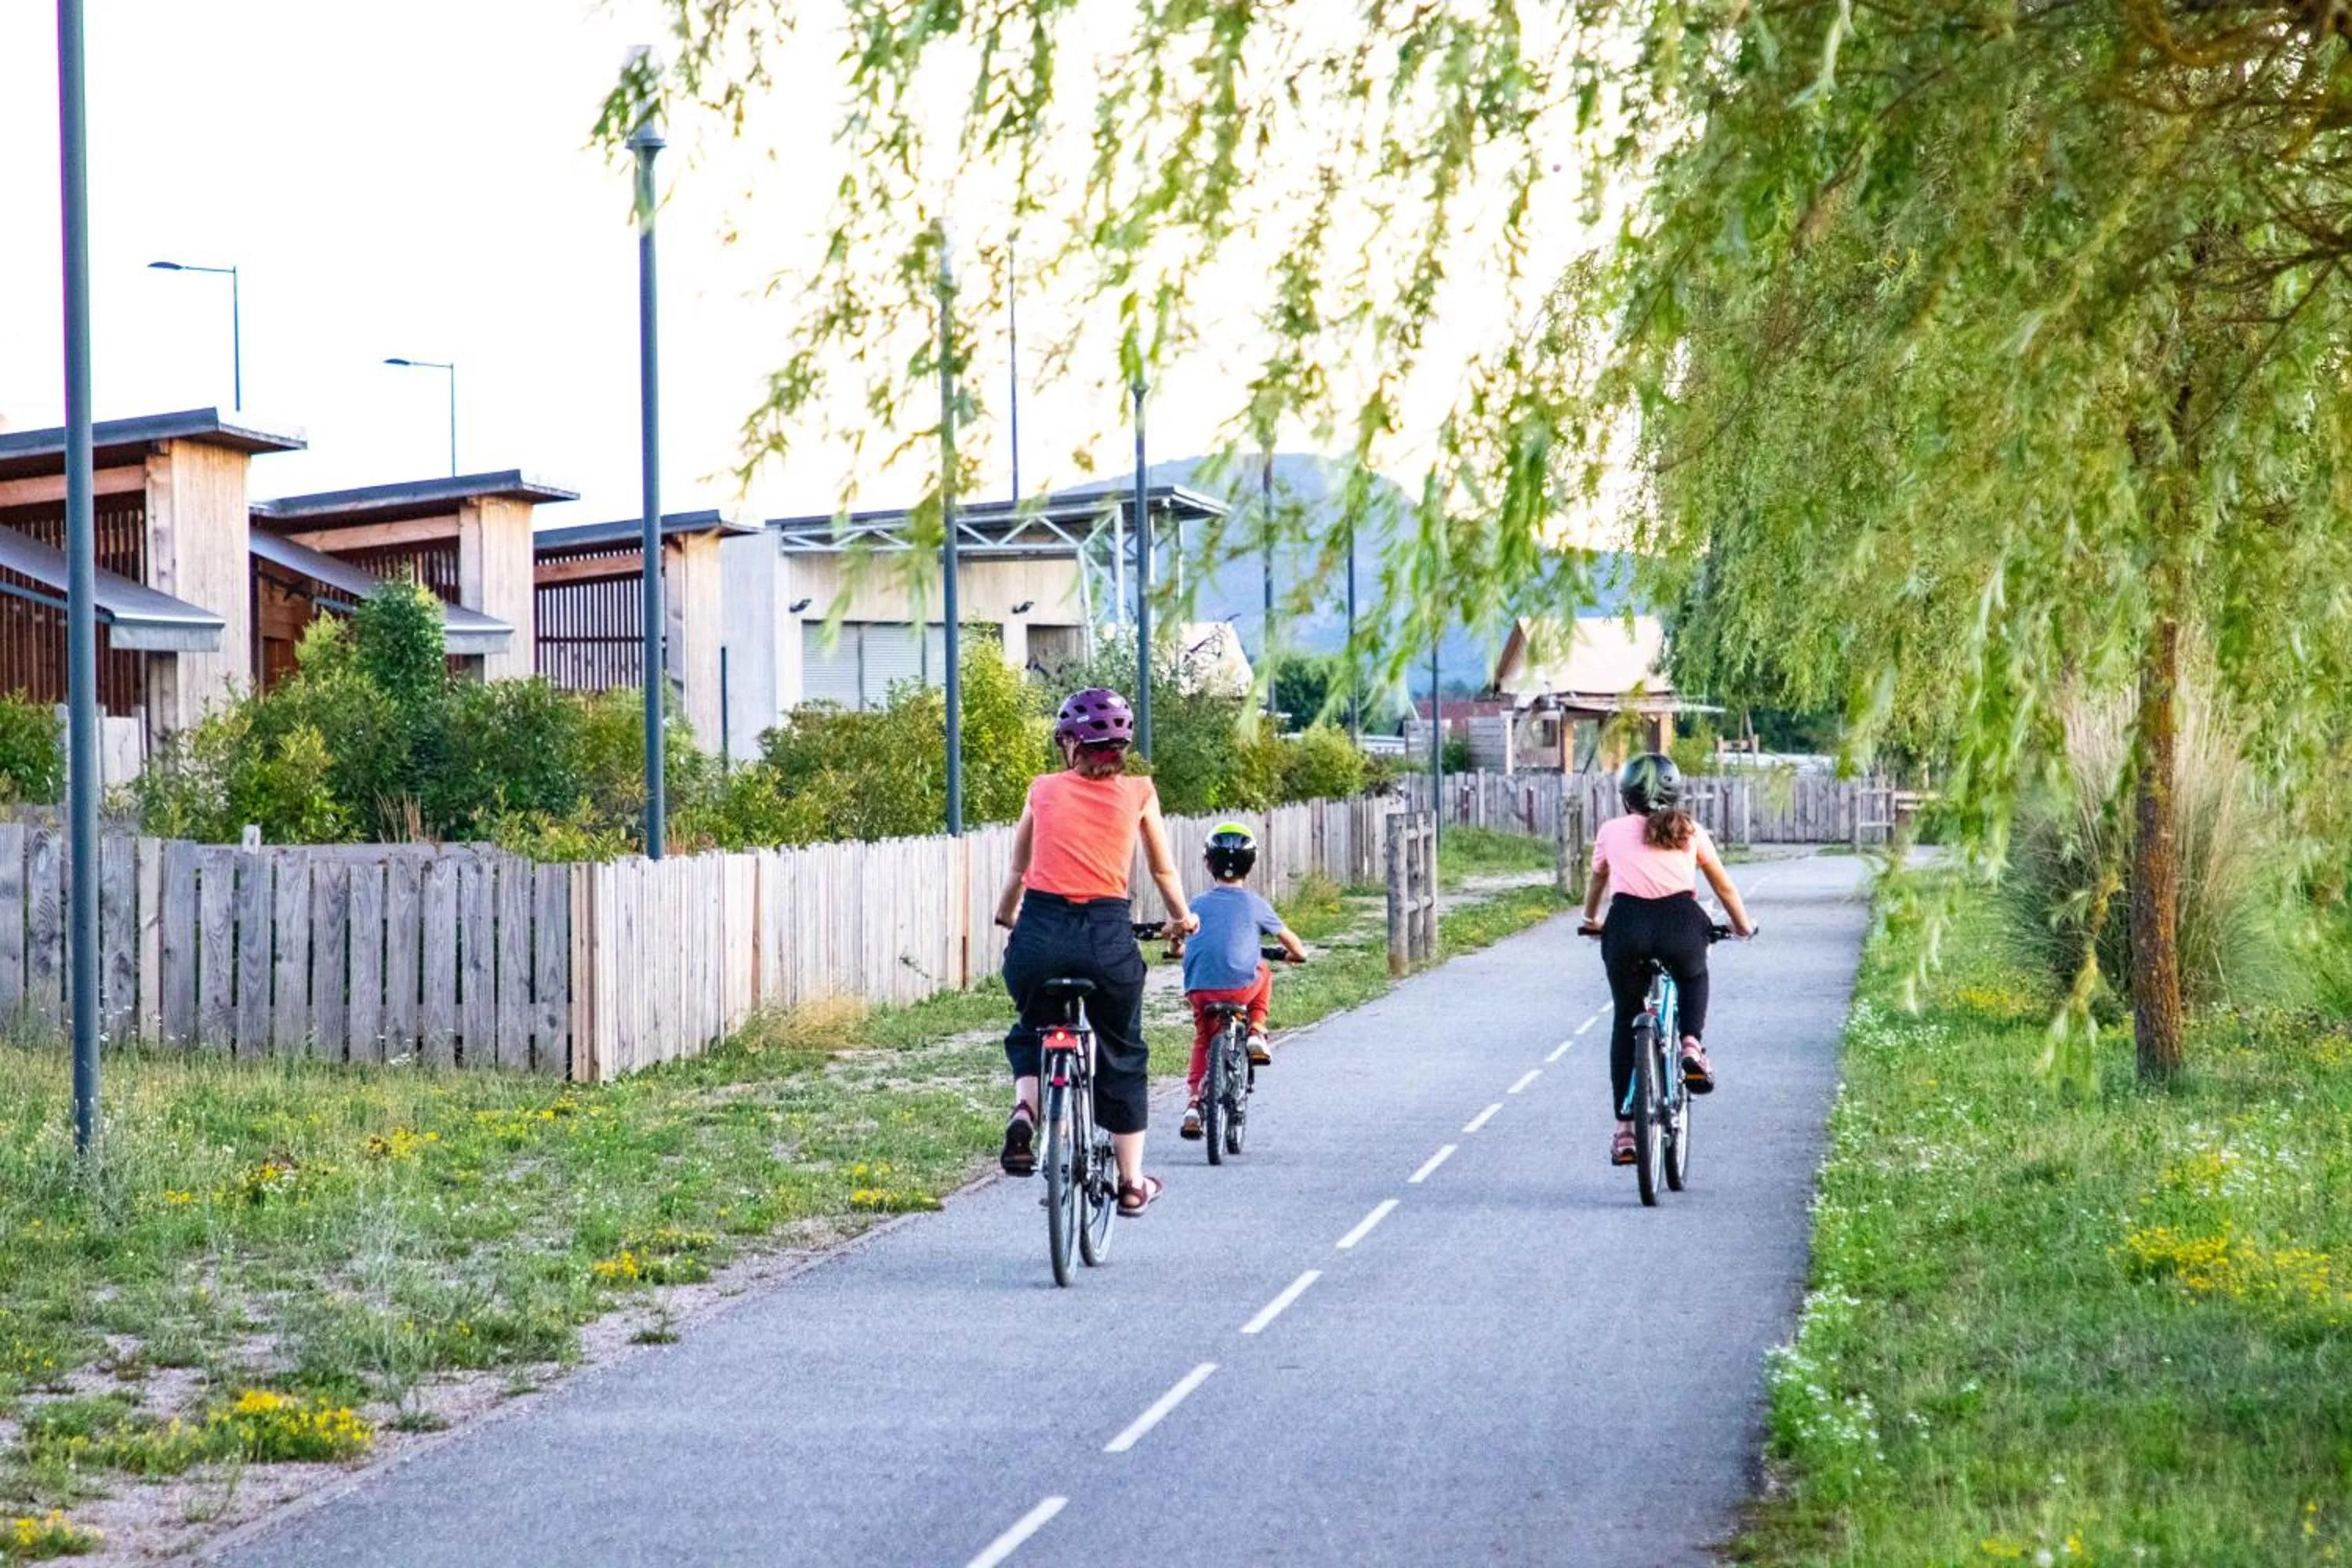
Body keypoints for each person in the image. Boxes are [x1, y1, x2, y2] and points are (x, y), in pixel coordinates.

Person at [993, 688, 1198, 1217]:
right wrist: (1184, 918)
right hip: (1107, 937)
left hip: (1039, 931)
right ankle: (1131, 1183)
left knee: (1031, 1024)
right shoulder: (1139, 793)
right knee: (1123, 1050)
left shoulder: (1041, 789)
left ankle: (1025, 1110)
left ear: (1070, 745)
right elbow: (1161, 870)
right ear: (1122, 747)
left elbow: (1019, 868)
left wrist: (1006, 914)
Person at [1578, 752, 1756, 1167]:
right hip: (1680, 925)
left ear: (1626, 797)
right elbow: (1725, 889)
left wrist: (1591, 920)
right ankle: (1692, 1045)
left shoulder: (1611, 830)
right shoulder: (1689, 830)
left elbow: (1598, 881)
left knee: (1626, 1018)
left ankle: (1625, 1131)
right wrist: (1743, 927)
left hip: (1626, 927)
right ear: (1675, 794)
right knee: (1693, 975)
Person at [1177, 823, 1306, 1141]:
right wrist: (1294, 956)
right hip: (1240, 988)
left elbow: (1179, 938)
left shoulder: (1195, 904)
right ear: (1251, 864)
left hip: (1200, 990)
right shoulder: (1255, 904)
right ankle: (1258, 1031)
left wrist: (1177, 949)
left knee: (1203, 1041)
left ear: (1208, 863)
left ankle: (1194, 1105)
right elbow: (1297, 947)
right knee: (1263, 968)